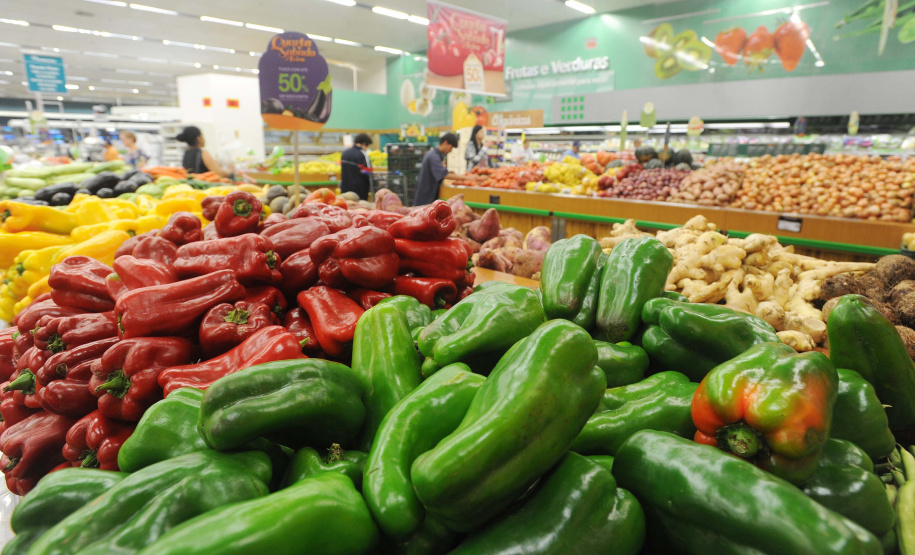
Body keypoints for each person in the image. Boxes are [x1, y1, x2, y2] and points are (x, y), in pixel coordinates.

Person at [413, 133, 480, 206]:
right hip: (425, 198)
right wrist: (466, 177)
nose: (451, 151)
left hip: (427, 195)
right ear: (445, 143)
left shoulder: (435, 155)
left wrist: (450, 173)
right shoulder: (433, 156)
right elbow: (444, 174)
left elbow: (441, 172)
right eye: (451, 147)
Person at [340, 133, 373, 200]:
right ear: (364, 144)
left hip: (345, 188)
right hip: (360, 191)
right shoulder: (363, 154)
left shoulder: (345, 152)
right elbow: (368, 172)